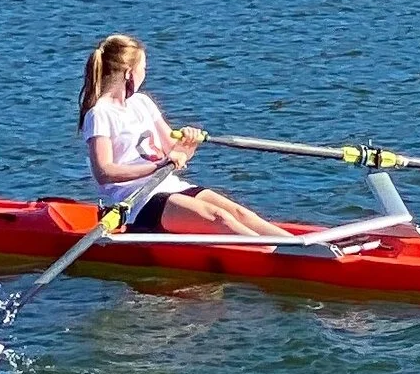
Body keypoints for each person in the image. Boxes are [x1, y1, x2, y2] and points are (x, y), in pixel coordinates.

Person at [80, 35, 287, 238]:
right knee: (219, 218)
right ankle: (280, 259)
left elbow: (176, 153)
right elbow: (104, 172)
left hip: (170, 186)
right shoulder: (99, 114)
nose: (145, 73)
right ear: (128, 73)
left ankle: (304, 248)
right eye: (143, 68)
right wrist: (158, 166)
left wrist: (189, 141)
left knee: (240, 214)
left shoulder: (142, 102)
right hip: (137, 202)